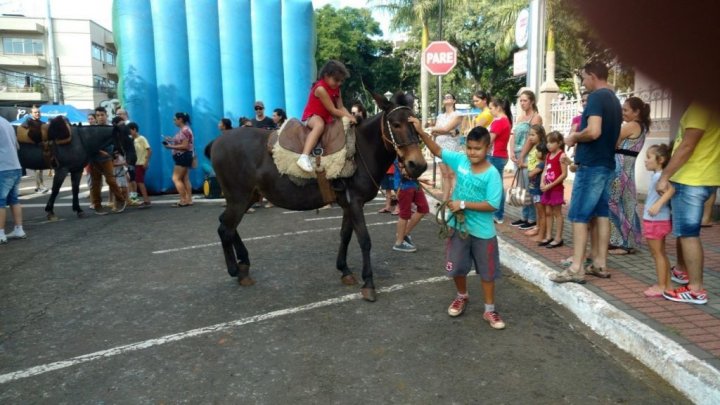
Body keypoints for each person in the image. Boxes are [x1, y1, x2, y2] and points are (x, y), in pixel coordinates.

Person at [410, 116, 506, 330]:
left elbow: (492, 204)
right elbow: (437, 151)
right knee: (457, 267)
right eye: (470, 148)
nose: (473, 153)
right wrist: (421, 132)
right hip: (459, 228)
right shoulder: (461, 161)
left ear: (487, 148)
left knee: (487, 272)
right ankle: (461, 296)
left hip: (483, 232)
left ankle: (489, 310)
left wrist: (462, 204)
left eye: (478, 149)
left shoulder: (492, 174)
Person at [551, 61, 622, 283]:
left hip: (591, 165)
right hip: (606, 163)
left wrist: (573, 137)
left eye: (584, 78)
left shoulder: (597, 97)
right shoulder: (614, 100)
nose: (583, 83)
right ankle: (599, 263)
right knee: (601, 214)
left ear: (592, 75)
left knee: (578, 214)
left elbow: (593, 131)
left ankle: (576, 268)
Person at [658, 102, 720, 305]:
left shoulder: (700, 107)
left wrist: (665, 175)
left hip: (691, 179)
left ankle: (695, 289)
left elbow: (687, 145)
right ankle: (682, 271)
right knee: (684, 231)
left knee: (688, 234)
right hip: (705, 177)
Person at [608, 96, 650, 255]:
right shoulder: (642, 127)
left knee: (613, 203)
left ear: (636, 112)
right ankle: (625, 242)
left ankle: (621, 242)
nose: (622, 113)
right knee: (627, 205)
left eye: (625, 110)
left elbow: (612, 142)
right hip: (627, 171)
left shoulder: (631, 125)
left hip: (619, 171)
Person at [297, 60, 356, 172]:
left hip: (327, 119)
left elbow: (341, 107)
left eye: (341, 81)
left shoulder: (337, 89)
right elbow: (333, 110)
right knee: (319, 125)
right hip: (312, 117)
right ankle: (304, 156)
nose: (339, 83)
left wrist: (350, 117)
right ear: (326, 76)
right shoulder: (320, 89)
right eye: (336, 80)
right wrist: (348, 116)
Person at [641, 144, 674, 298]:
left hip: (655, 221)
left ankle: (661, 286)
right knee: (661, 253)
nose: (645, 161)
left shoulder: (659, 177)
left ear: (660, 160)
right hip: (659, 220)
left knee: (657, 254)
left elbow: (671, 190)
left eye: (649, 157)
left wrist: (657, 205)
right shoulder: (658, 176)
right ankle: (666, 284)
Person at [510, 90, 543, 230]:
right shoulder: (520, 118)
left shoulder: (536, 118)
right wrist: (511, 151)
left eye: (525, 100)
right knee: (521, 187)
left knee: (529, 187)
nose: (522, 103)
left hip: (528, 155)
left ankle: (532, 218)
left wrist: (522, 155)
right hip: (516, 154)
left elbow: (531, 139)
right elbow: (513, 135)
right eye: (521, 101)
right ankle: (523, 216)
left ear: (532, 101)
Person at [89, 107, 126, 215]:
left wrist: (113, 153)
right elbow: (90, 144)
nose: (100, 117)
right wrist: (99, 151)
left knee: (110, 180)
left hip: (107, 159)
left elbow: (114, 143)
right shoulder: (92, 130)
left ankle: (121, 200)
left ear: (106, 115)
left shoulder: (111, 129)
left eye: (102, 115)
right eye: (98, 115)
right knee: (95, 183)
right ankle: (97, 205)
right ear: (96, 117)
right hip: (94, 159)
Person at [429, 93, 464, 202]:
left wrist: (436, 129)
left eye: (449, 97)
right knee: (444, 175)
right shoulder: (440, 116)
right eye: (445, 97)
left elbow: (443, 129)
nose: (447, 98)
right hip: (439, 146)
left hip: (451, 147)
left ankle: (456, 200)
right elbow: (436, 132)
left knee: (452, 174)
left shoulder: (458, 114)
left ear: (454, 101)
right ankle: (444, 201)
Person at [391, 159, 430, 253]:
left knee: (424, 208)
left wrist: (420, 180)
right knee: (405, 214)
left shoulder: (412, 151)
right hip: (403, 186)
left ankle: (403, 234)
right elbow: (404, 173)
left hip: (414, 184)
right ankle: (399, 243)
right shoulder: (399, 155)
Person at [538, 131, 568, 248]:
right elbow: (545, 170)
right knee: (548, 212)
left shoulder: (562, 156)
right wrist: (542, 182)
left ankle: (558, 238)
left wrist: (550, 185)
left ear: (559, 143)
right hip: (547, 188)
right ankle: (549, 236)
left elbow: (564, 174)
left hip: (556, 189)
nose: (548, 145)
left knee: (557, 213)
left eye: (552, 142)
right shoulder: (548, 156)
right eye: (547, 142)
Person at [0, 116, 26, 244]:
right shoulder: (6, 122)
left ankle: (0, 233)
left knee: (0, 202)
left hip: (3, 168)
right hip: (15, 166)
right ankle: (19, 229)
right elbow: (16, 146)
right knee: (14, 200)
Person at [487, 97, 513, 224]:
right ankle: (497, 213)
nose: (490, 111)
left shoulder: (499, 121)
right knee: (497, 185)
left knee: (496, 186)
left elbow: (489, 141)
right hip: (499, 156)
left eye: (491, 108)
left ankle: (497, 214)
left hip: (495, 156)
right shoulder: (505, 120)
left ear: (498, 107)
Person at [164, 112, 195, 207]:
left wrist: (171, 146)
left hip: (183, 156)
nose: (174, 121)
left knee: (176, 178)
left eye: (175, 119)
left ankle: (183, 200)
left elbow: (185, 146)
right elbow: (183, 142)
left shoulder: (184, 130)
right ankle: (188, 199)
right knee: (185, 178)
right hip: (186, 155)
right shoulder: (184, 130)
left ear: (180, 119)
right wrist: (172, 140)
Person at [525, 125, 548, 241]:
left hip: (538, 184)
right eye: (529, 134)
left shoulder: (541, 147)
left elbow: (544, 163)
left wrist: (534, 171)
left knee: (541, 211)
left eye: (533, 135)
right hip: (534, 184)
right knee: (538, 209)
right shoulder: (535, 147)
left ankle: (541, 234)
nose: (530, 137)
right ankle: (538, 228)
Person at [22, 105, 48, 193]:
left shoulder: (42, 122)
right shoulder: (28, 121)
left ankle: (39, 186)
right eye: (35, 112)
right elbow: (23, 130)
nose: (37, 114)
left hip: (40, 147)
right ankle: (39, 186)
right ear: (31, 113)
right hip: (32, 148)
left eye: (38, 112)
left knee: (39, 169)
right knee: (37, 169)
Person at [128, 122, 151, 207]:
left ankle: (146, 200)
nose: (129, 133)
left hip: (140, 163)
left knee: (139, 182)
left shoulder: (141, 138)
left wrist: (146, 161)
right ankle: (134, 199)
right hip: (134, 164)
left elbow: (149, 150)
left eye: (129, 130)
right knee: (133, 181)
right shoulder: (132, 140)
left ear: (134, 129)